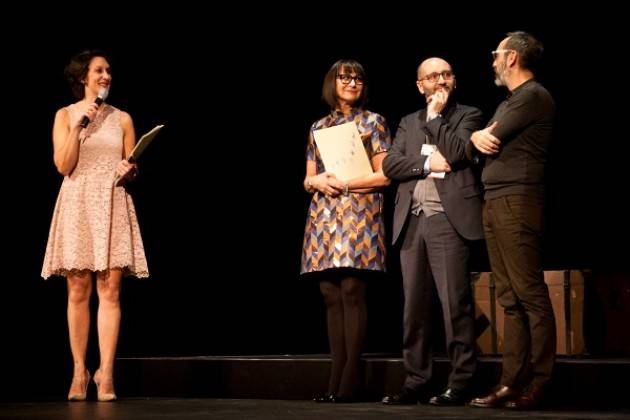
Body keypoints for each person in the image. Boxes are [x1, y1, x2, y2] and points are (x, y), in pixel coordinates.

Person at [41, 49, 149, 402]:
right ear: (83, 78)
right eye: (99, 70)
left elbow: (131, 165)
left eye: (109, 71)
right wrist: (78, 125)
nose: (106, 76)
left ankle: (105, 373)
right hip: (78, 202)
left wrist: (130, 170)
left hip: (112, 201)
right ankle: (78, 371)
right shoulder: (65, 115)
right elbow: (63, 165)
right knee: (77, 289)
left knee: (111, 289)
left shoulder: (123, 119)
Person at [380, 57, 484, 406]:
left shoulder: (469, 115)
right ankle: (417, 379)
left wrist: (437, 118)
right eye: (432, 76)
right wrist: (424, 163)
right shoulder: (408, 122)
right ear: (419, 85)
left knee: (455, 304)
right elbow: (391, 164)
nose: (440, 80)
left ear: (453, 80)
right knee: (415, 308)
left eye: (446, 74)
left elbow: (456, 152)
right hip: (412, 220)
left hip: (447, 221)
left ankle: (461, 381)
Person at [467, 31, 556, 410]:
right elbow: (477, 144)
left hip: (518, 200)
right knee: (508, 297)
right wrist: (474, 136)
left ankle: (540, 381)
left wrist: (478, 137)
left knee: (529, 292)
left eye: (495, 55)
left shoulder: (533, 96)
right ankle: (511, 382)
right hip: (496, 199)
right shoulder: (509, 101)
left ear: (512, 58)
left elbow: (492, 137)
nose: (492, 62)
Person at [300, 59, 391, 403]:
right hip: (324, 215)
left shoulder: (375, 122)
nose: (352, 82)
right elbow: (308, 178)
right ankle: (335, 379)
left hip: (360, 212)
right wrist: (317, 180)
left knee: (353, 288)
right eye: (345, 77)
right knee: (329, 292)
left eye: (358, 78)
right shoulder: (318, 127)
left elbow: (384, 175)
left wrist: (346, 183)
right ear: (332, 83)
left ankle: (351, 380)